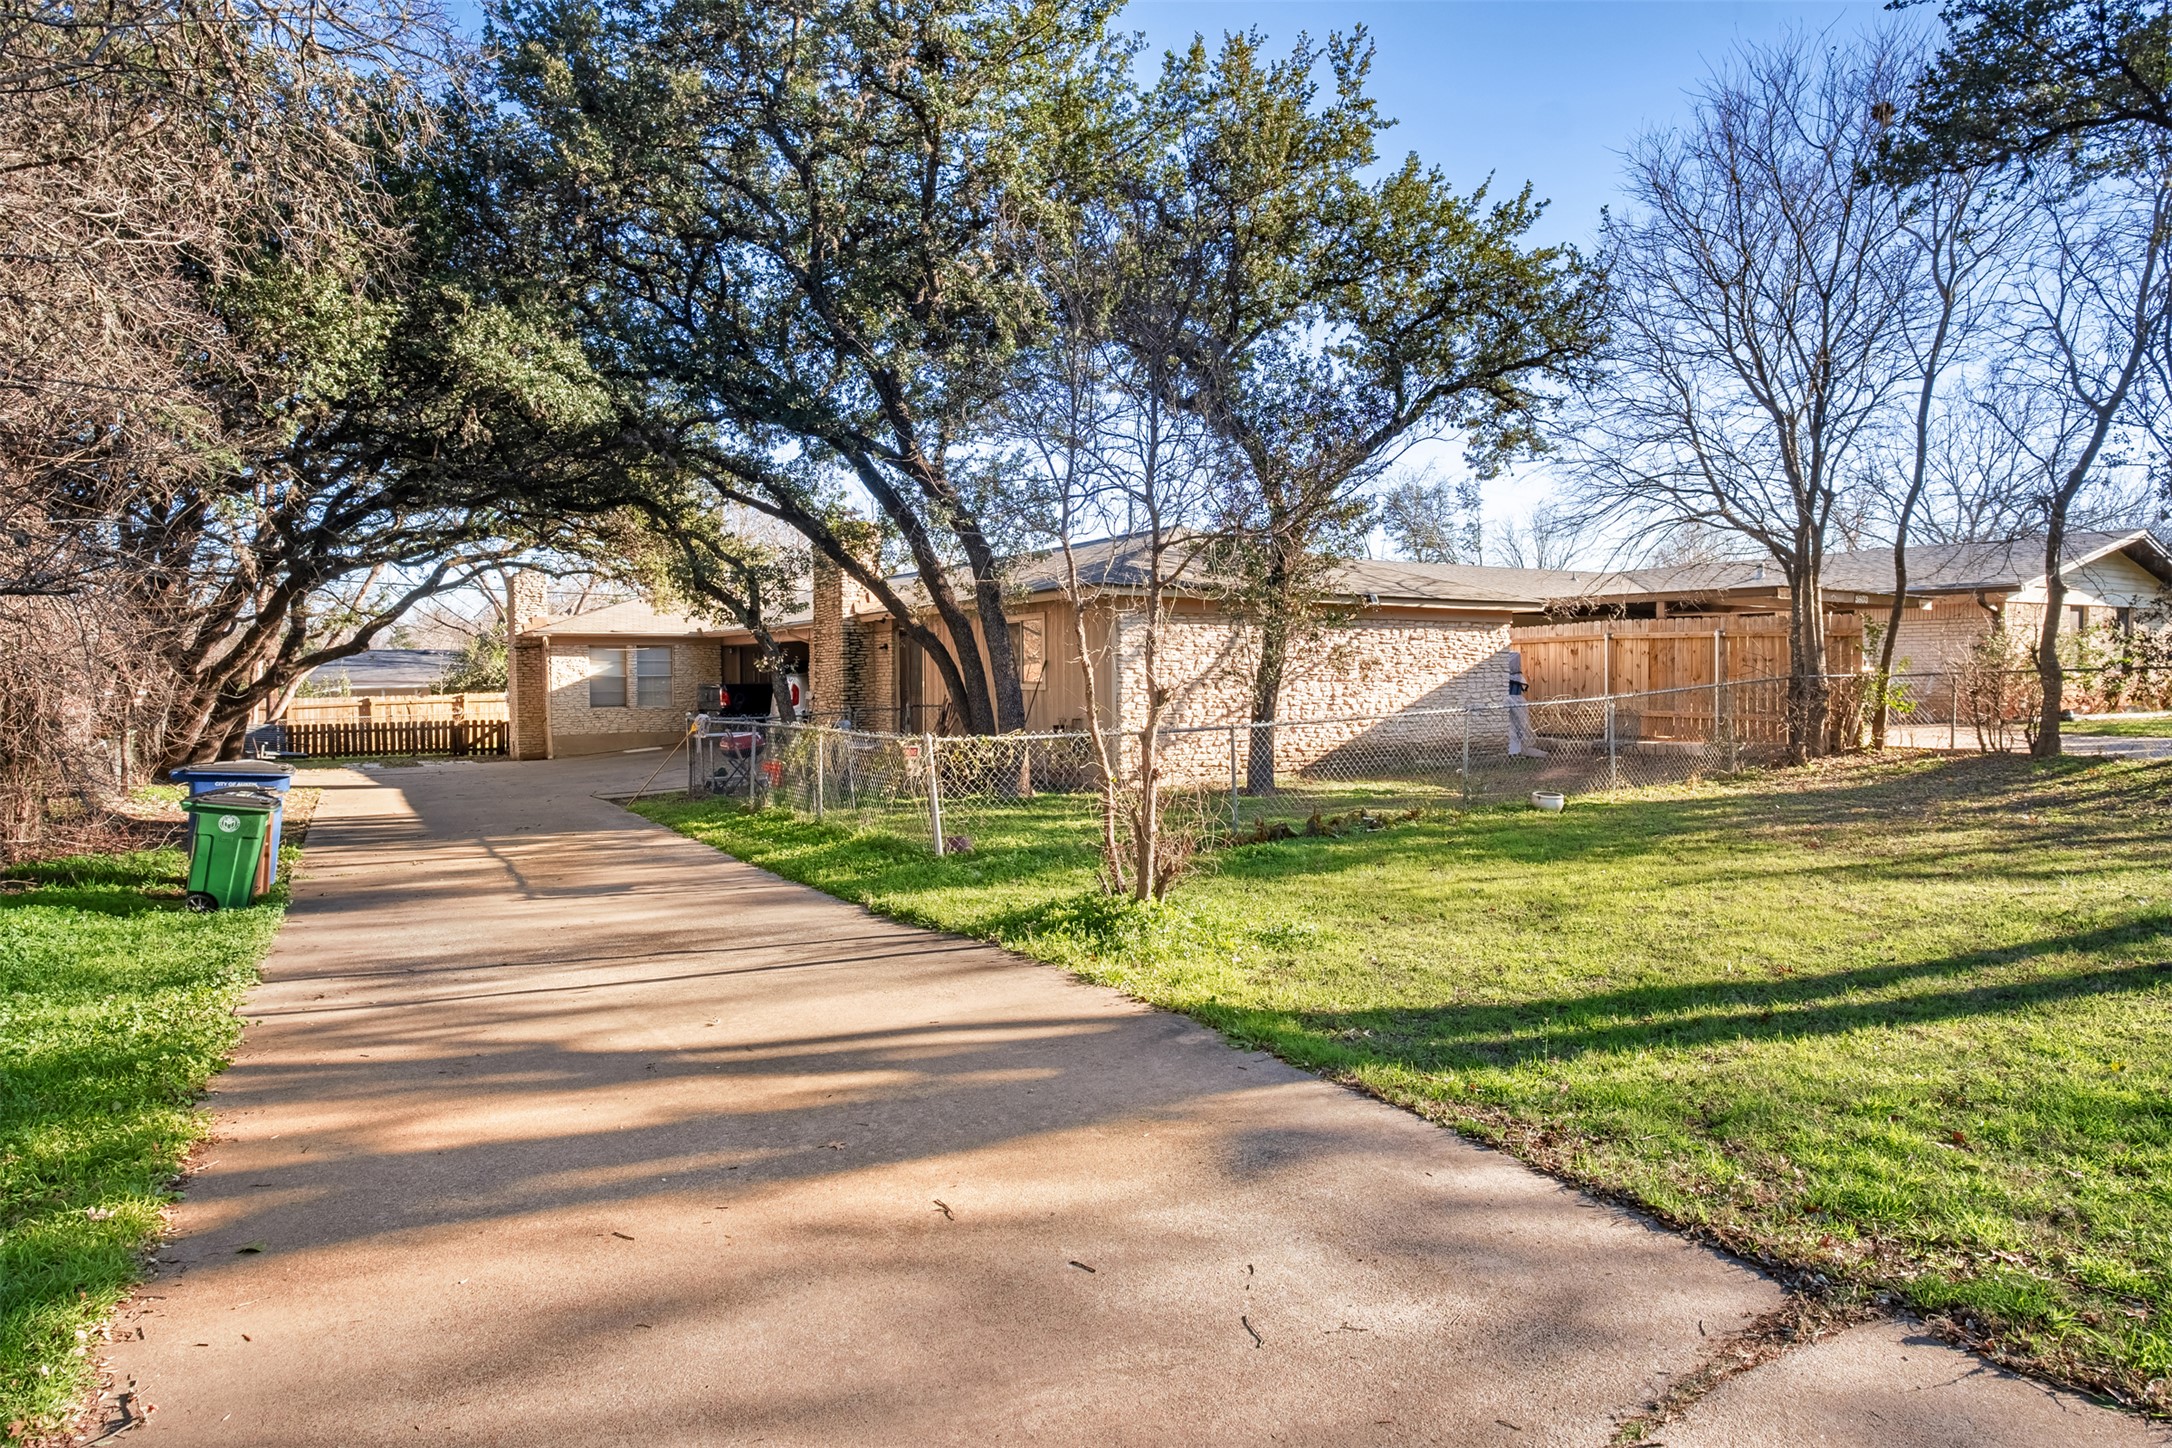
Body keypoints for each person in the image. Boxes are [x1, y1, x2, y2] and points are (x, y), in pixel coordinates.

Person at [1507, 649, 1547, 758]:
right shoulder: (1515, 679)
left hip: (1515, 702)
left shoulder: (1514, 679)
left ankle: (1516, 749)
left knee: (1516, 726)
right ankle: (1514, 750)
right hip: (1514, 702)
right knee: (1513, 726)